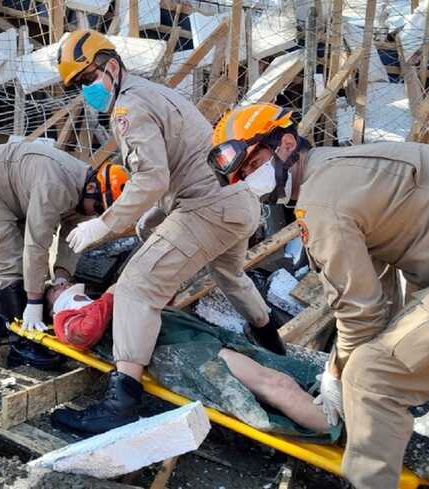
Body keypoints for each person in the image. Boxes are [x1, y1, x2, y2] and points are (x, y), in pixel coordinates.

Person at [208, 103, 429, 487]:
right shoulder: (342, 168)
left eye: (253, 165)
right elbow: (378, 298)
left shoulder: (320, 202)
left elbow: (359, 312)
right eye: (242, 176)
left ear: (285, 143)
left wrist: (338, 376)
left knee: (373, 376)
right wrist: (354, 360)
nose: (251, 180)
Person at [51, 30, 281, 433]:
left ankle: (121, 402)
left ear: (111, 66)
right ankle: (273, 346)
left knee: (138, 286)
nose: (86, 90)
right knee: (230, 275)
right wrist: (157, 214)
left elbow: (152, 176)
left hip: (206, 207)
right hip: (236, 202)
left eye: (88, 79)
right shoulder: (155, 92)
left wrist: (103, 224)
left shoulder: (129, 108)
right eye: (79, 86)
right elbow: (182, 162)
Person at [39, 280, 429, 482]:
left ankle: (395, 421)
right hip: (186, 354)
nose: (60, 281)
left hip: (199, 339)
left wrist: (133, 290)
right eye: (53, 284)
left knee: (303, 374)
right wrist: (123, 291)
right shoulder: (69, 315)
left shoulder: (96, 297)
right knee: (278, 388)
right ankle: (392, 443)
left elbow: (156, 300)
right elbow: (80, 335)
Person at [0, 141, 128, 369]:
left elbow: (70, 237)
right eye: (98, 209)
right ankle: (19, 344)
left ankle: (3, 328)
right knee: (11, 259)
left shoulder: (85, 187)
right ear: (93, 188)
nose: (95, 214)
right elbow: (37, 243)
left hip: (11, 190)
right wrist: (34, 301)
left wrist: (62, 274)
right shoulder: (56, 187)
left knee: (24, 262)